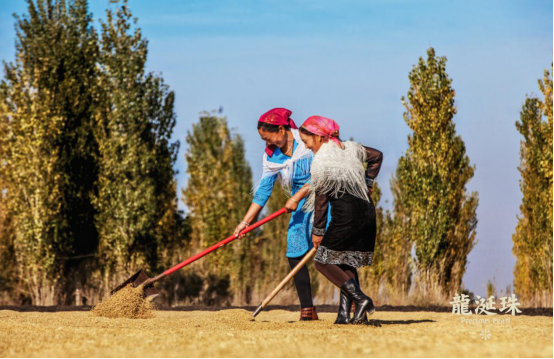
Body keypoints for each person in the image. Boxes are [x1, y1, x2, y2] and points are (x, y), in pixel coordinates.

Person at [234, 108, 323, 321]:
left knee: (332, 256)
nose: (268, 144)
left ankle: (357, 302)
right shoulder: (272, 156)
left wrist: (298, 196)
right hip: (300, 208)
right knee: (294, 253)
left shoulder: (307, 143)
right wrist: (245, 222)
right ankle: (307, 310)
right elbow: (263, 192)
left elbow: (323, 174)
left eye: (269, 138)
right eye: (264, 140)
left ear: (282, 129)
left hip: (324, 201)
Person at [299, 115, 383, 324]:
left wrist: (318, 231)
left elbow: (321, 200)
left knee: (323, 263)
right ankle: (346, 315)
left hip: (346, 216)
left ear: (318, 137)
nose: (307, 146)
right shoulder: (350, 148)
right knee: (345, 259)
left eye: (306, 141)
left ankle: (362, 300)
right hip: (366, 211)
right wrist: (368, 181)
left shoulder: (322, 161)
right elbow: (377, 156)